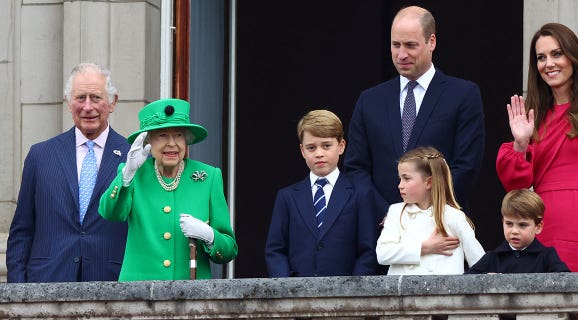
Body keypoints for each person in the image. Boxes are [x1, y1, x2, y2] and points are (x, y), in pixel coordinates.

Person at [345, 5, 485, 255]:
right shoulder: (370, 101)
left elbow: (466, 165)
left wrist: (427, 213)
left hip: (441, 234)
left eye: (410, 45)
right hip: (384, 233)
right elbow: (356, 168)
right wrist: (391, 213)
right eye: (395, 45)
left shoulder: (463, 95)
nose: (401, 54)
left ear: (432, 41)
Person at [496, 23, 578, 272]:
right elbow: (516, 187)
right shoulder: (532, 117)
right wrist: (520, 143)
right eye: (541, 57)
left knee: (575, 307)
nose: (549, 63)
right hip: (538, 226)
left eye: (557, 54)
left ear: (573, 56)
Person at [6, 62, 130, 282]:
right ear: (68, 102)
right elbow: (22, 230)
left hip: (113, 286)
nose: (87, 106)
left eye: (96, 97)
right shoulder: (40, 155)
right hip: (47, 283)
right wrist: (17, 291)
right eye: (80, 98)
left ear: (112, 102)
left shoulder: (134, 158)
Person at [98, 98, 237, 281]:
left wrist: (209, 235)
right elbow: (110, 213)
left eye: (179, 135)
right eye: (163, 135)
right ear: (148, 140)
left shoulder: (208, 177)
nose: (172, 143)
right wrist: (126, 175)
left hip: (191, 295)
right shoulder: (134, 174)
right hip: (139, 293)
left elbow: (228, 250)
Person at [265, 110, 378, 277]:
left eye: (326, 146)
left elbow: (368, 251)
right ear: (302, 151)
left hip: (346, 294)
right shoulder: (287, 197)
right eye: (311, 147)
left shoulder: (360, 194)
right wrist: (286, 289)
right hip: (296, 294)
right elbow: (275, 250)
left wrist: (353, 292)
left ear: (341, 146)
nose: (319, 153)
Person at [376, 146, 484, 275]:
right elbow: (382, 254)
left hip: (443, 294)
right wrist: (424, 248)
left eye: (406, 178)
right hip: (403, 294)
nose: (400, 185)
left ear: (429, 182)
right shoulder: (396, 212)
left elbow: (479, 261)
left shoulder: (454, 217)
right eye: (400, 179)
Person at [466, 189, 570, 274]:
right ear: (502, 222)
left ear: (538, 227)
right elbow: (465, 281)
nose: (514, 231)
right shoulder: (493, 257)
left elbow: (566, 281)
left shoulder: (547, 256)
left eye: (522, 225)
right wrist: (485, 279)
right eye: (509, 224)